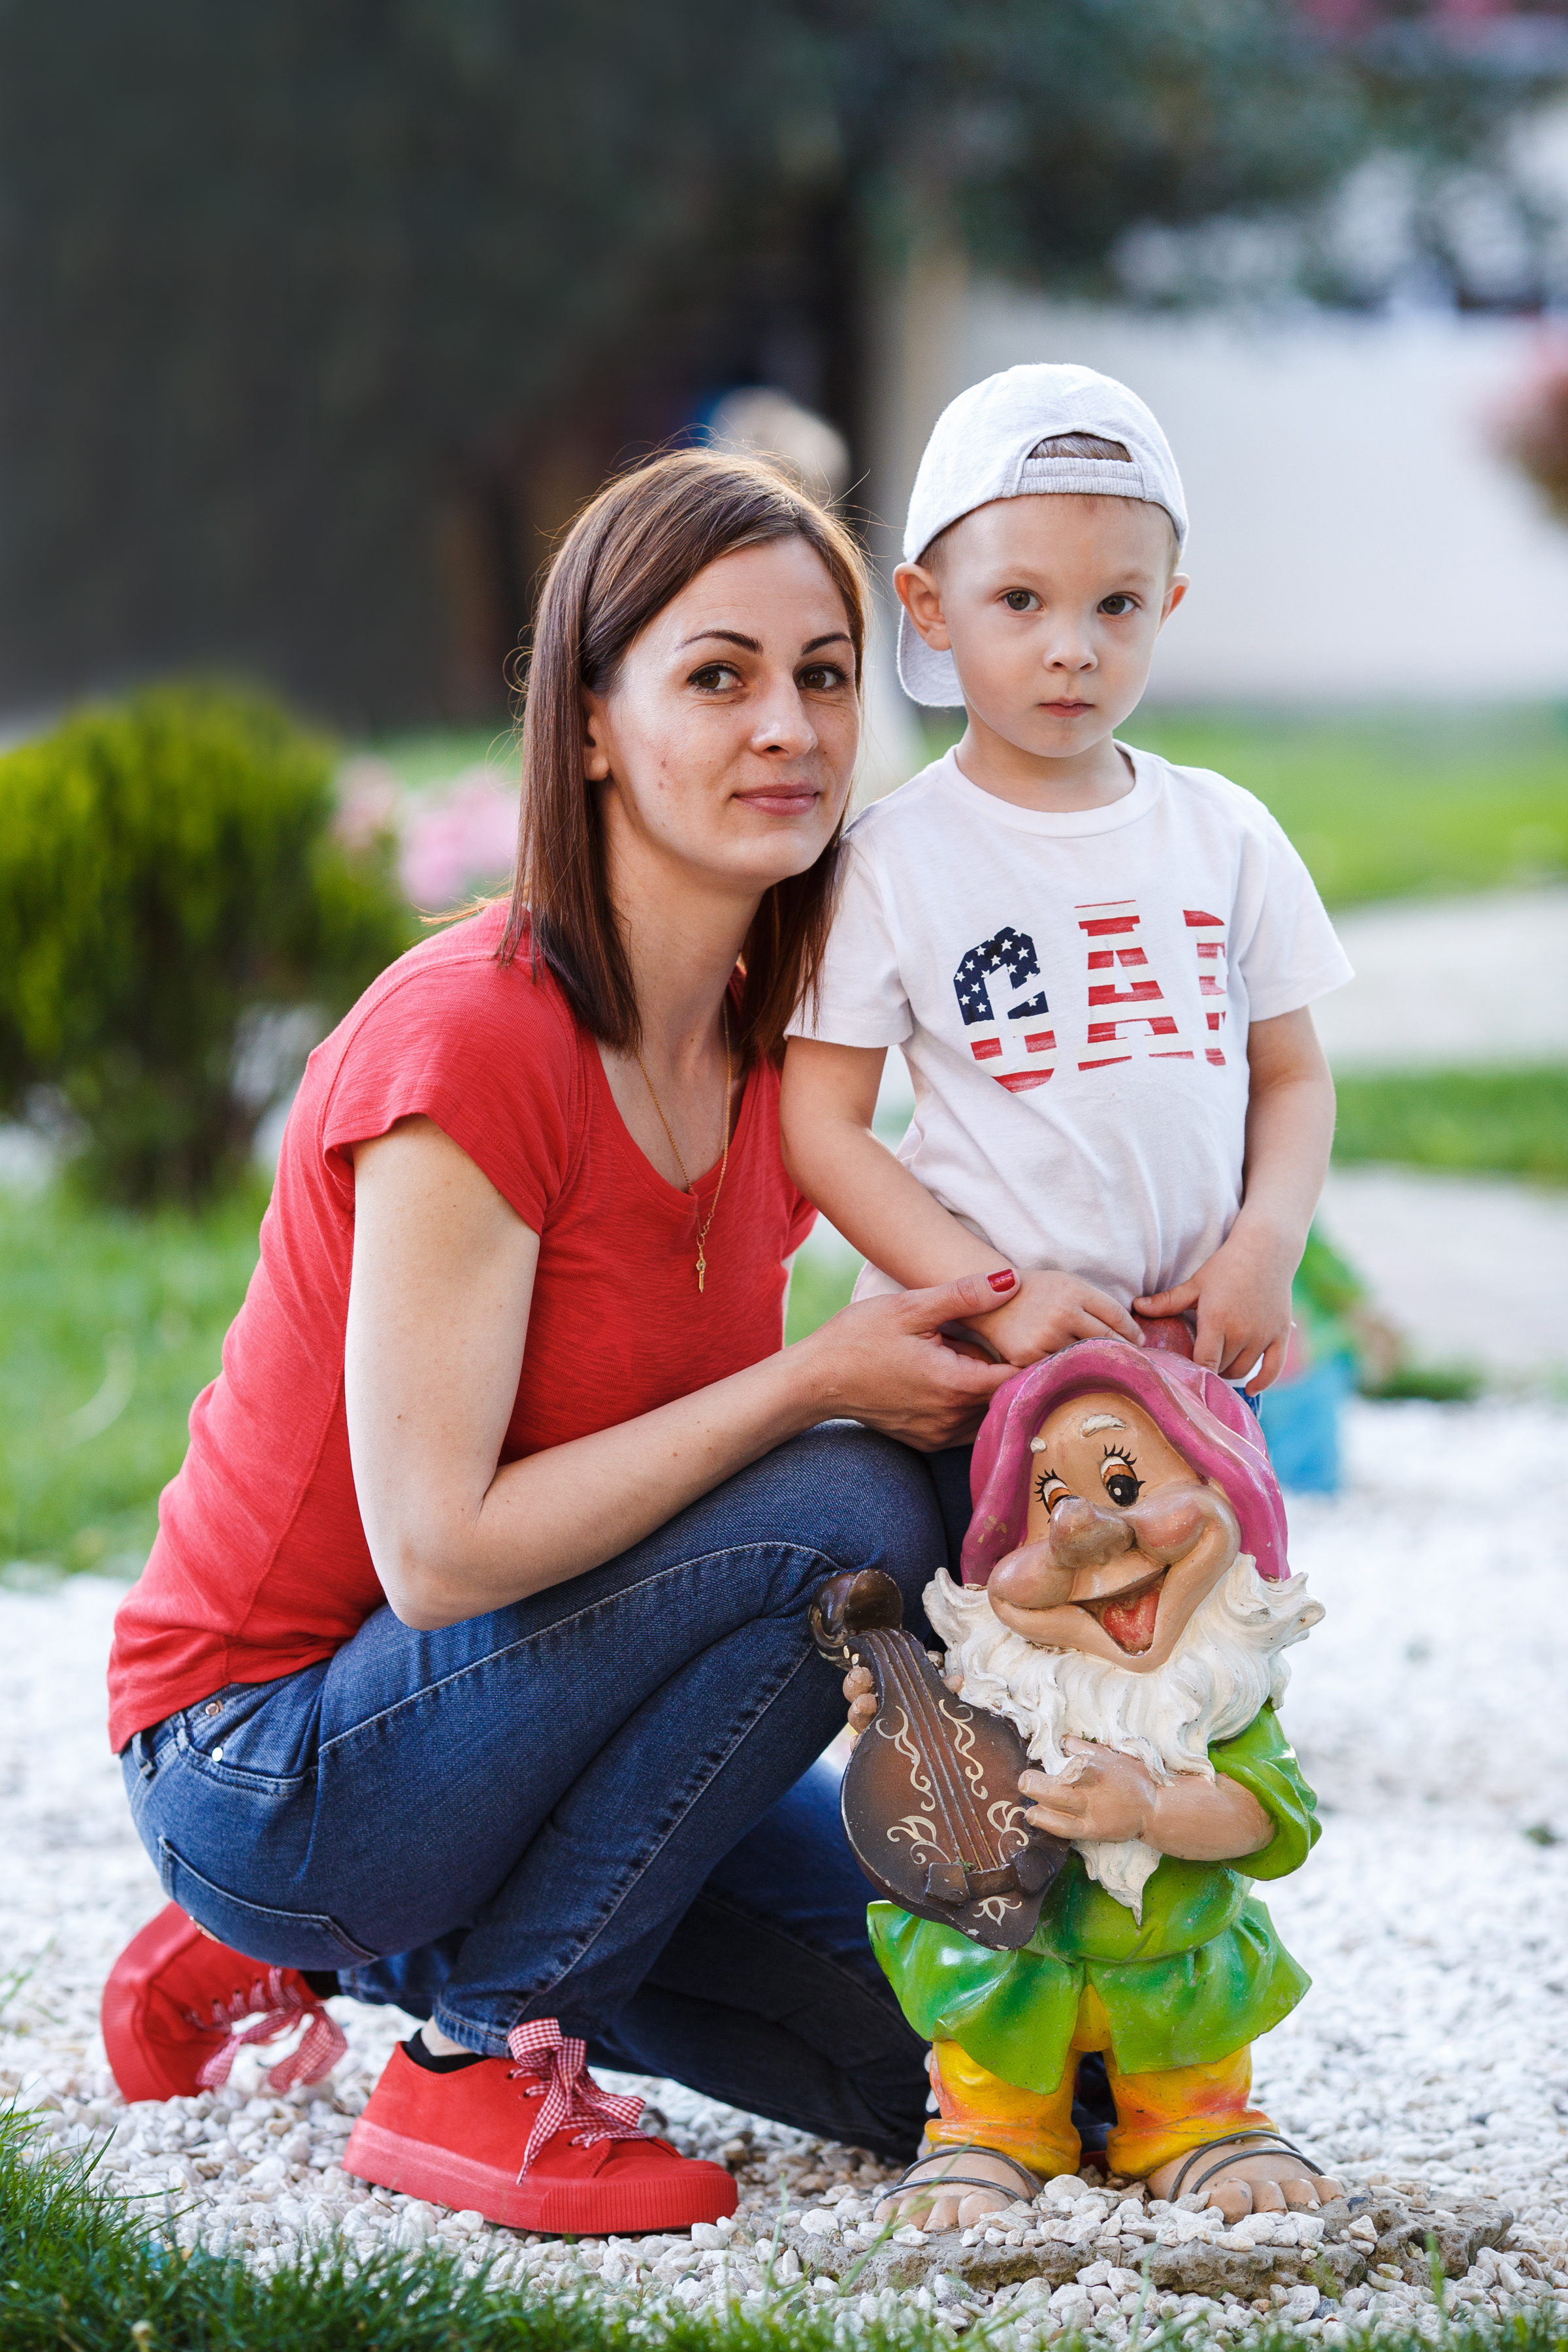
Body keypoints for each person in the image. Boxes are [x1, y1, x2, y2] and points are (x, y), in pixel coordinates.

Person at [99, 449, 1020, 2237]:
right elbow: (438, 1556)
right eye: (718, 675)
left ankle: (360, 1959)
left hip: (493, 1741)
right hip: (274, 1761)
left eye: (825, 674)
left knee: (984, 2072)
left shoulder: (780, 1064)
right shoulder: (472, 1045)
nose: (791, 727)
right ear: (589, 723)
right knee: (841, 1511)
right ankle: (473, 2052)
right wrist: (820, 1378)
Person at [780, 363, 1352, 1418]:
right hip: (982, 1360)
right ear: (929, 605)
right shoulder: (893, 858)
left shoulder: (1225, 834)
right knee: (990, 1579)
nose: (1072, 650)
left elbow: (1292, 1079)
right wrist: (993, 1297)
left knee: (1198, 1577)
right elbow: (821, 1126)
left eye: (1117, 605)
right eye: (1019, 600)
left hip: (1188, 1344)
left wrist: (1266, 1247)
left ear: (1167, 606)